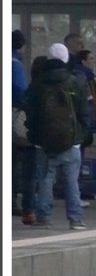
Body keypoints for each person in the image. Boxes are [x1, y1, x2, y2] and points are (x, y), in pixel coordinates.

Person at [23, 43, 90, 230]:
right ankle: (75, 218)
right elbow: (84, 112)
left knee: (45, 179)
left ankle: (44, 218)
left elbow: (29, 109)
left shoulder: (38, 83)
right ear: (66, 59)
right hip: (72, 140)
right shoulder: (76, 80)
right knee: (71, 181)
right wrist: (81, 133)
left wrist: (34, 134)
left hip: (43, 142)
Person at [73, 49, 96, 205]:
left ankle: (76, 191)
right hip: (82, 124)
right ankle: (75, 193)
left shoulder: (83, 76)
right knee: (77, 159)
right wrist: (90, 124)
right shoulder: (84, 77)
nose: (93, 61)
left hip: (81, 124)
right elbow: (88, 103)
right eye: (90, 58)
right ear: (83, 61)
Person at [11, 30, 33, 221]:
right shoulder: (15, 64)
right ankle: (12, 201)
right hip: (12, 116)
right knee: (15, 161)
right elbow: (20, 92)